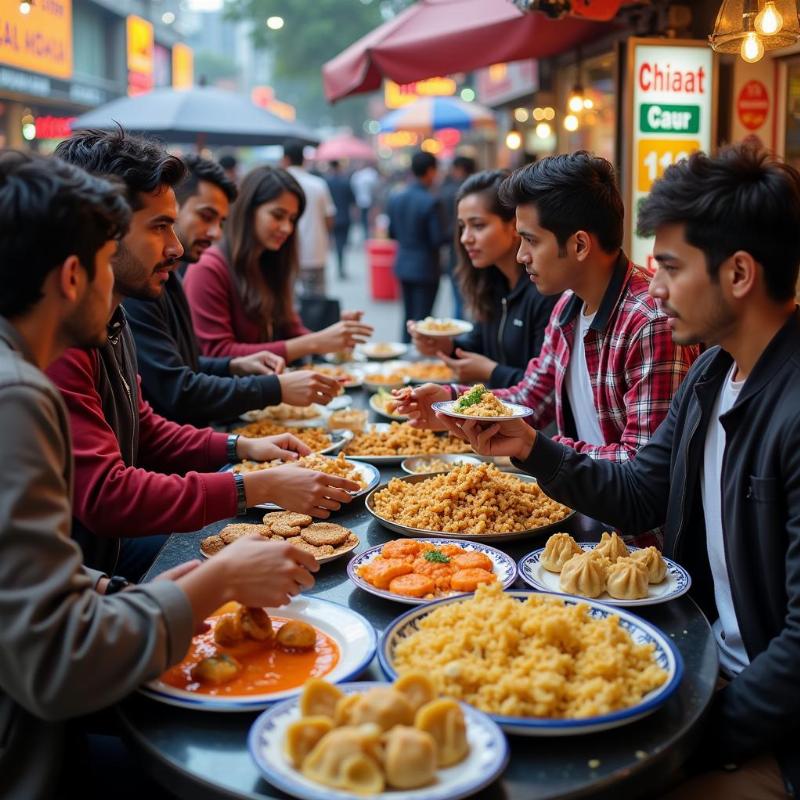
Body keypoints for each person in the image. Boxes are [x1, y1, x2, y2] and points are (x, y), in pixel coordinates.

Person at [439, 145, 800, 799]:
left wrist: (685, 733)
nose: (655, 285)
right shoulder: (712, 372)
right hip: (690, 658)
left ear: (740, 273)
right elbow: (639, 493)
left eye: (669, 266)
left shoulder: (785, 404)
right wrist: (528, 446)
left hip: (760, 724)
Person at [0, 151, 321, 800]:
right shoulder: (20, 392)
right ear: (72, 274)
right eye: (151, 229)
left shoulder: (84, 334)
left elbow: (26, 580)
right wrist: (215, 582)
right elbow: (52, 662)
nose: (179, 247)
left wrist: (125, 591)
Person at [49, 129, 360, 581]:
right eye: (160, 226)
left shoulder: (113, 316)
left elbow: (145, 426)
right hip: (82, 577)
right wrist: (255, 484)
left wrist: (242, 447)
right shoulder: (59, 340)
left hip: (109, 553)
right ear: (100, 230)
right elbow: (106, 496)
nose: (176, 246)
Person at [396, 154, 698, 524]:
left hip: (636, 550)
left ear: (580, 245)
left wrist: (538, 448)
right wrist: (454, 403)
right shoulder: (568, 305)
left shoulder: (649, 323)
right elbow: (530, 400)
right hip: (575, 514)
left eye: (530, 240)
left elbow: (642, 474)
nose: (521, 255)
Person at [124, 154, 342, 425]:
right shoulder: (193, 271)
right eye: (161, 225)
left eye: (293, 219)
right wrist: (280, 381)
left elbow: (188, 366)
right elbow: (179, 389)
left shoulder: (173, 275)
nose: (215, 233)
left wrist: (235, 366)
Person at [184, 165, 372, 362]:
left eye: (292, 219)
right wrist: (315, 342)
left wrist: (335, 339)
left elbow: (289, 328)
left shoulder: (270, 261)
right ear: (249, 210)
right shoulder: (208, 268)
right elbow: (218, 353)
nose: (287, 228)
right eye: (277, 215)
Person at [408, 170, 560, 388]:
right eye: (462, 226)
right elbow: (481, 344)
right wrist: (445, 345)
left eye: (478, 225)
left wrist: (491, 372)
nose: (465, 238)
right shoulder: (492, 280)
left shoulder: (545, 290)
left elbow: (546, 390)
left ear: (514, 226)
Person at [387, 150, 446, 341]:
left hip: (403, 263)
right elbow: (436, 239)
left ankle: (405, 351)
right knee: (423, 318)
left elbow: (391, 233)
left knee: (408, 314)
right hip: (426, 266)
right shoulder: (430, 201)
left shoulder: (396, 197)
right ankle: (419, 359)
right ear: (430, 171)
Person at [281, 138, 335, 297]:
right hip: (315, 251)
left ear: (285, 159)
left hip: (285, 253)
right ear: (303, 159)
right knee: (316, 304)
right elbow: (329, 219)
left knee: (285, 300)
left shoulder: (279, 184)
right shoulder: (318, 184)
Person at [438, 154, 477, 319]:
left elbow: (442, 229)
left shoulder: (447, 192)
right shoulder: (477, 193)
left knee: (459, 300)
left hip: (455, 254)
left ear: (459, 169)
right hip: (473, 254)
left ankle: (460, 336)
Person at [325, 159, 355, 279]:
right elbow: (353, 201)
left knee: (335, 243)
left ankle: (337, 265)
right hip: (344, 217)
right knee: (341, 244)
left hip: (331, 217)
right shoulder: (345, 182)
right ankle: (341, 267)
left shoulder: (326, 183)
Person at [351, 162, 379, 238]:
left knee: (366, 219)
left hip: (367, 201)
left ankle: (368, 234)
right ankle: (367, 234)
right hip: (363, 201)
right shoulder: (359, 175)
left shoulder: (364, 175)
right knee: (364, 219)